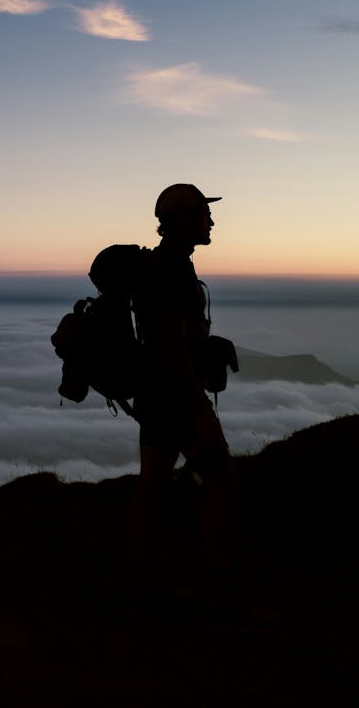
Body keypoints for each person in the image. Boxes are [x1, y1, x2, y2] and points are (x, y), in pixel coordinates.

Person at [130, 183, 239, 592]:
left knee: (152, 487)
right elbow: (170, 345)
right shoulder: (171, 269)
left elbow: (168, 336)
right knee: (225, 486)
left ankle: (143, 584)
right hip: (178, 400)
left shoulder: (166, 265)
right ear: (181, 219)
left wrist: (207, 343)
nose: (211, 219)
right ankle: (221, 591)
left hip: (157, 397)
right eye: (203, 212)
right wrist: (198, 411)